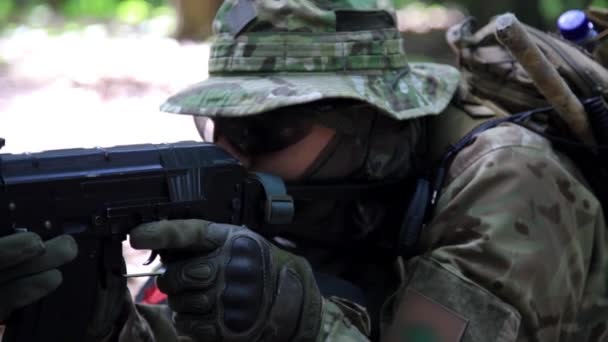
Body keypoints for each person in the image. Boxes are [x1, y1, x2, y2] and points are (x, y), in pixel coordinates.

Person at [2, 1, 608, 341]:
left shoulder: (509, 180)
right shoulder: (320, 187)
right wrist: (103, 323)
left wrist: (302, 323)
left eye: (263, 131)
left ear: (371, 117)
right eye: (221, 128)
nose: (233, 155)